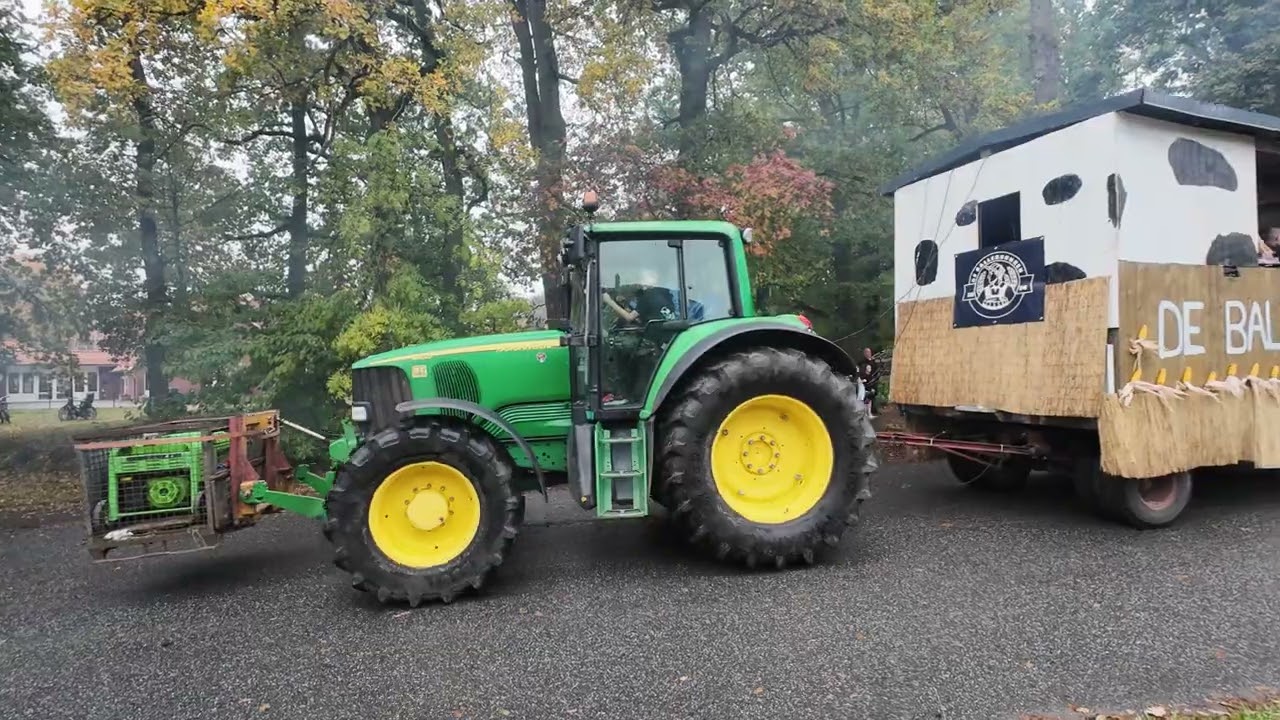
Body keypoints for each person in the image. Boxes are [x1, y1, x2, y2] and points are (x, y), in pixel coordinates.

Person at [858, 348, 881, 419]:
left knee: (871, 397)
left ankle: (870, 412)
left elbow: (876, 370)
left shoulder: (873, 361)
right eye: (867, 352)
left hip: (872, 381)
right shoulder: (862, 362)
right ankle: (866, 413)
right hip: (866, 383)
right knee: (866, 399)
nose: (868, 354)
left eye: (869, 352)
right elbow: (859, 371)